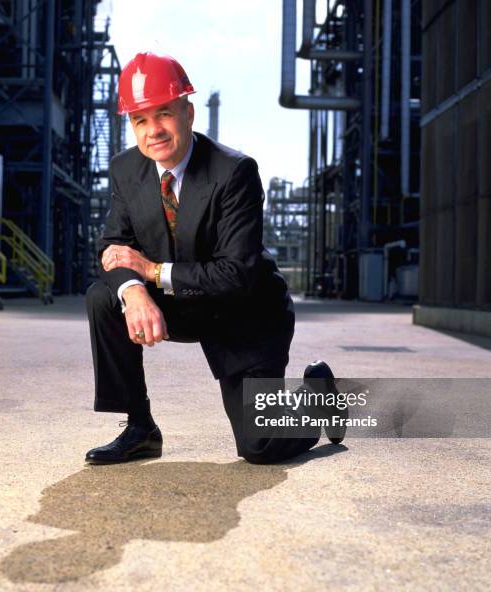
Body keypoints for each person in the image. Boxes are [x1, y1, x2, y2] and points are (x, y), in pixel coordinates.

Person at [85, 52, 343, 465]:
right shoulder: (126, 169)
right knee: (105, 297)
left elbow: (236, 274)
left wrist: (149, 270)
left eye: (164, 114)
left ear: (188, 112)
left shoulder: (234, 172)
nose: (153, 131)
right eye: (140, 120)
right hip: (182, 300)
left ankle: (317, 396)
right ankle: (139, 429)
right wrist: (135, 292)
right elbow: (113, 246)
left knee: (260, 447)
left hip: (243, 310)